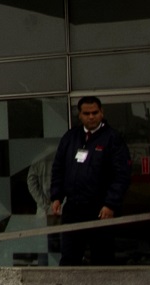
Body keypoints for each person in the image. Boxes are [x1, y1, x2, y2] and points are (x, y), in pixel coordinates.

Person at [47, 96, 130, 266]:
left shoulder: (112, 138)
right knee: (69, 258)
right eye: (86, 113)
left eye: (95, 112)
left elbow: (122, 174)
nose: (91, 117)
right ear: (80, 115)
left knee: (102, 259)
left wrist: (110, 204)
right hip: (73, 208)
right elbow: (58, 168)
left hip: (100, 210)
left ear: (101, 113)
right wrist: (56, 196)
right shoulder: (71, 137)